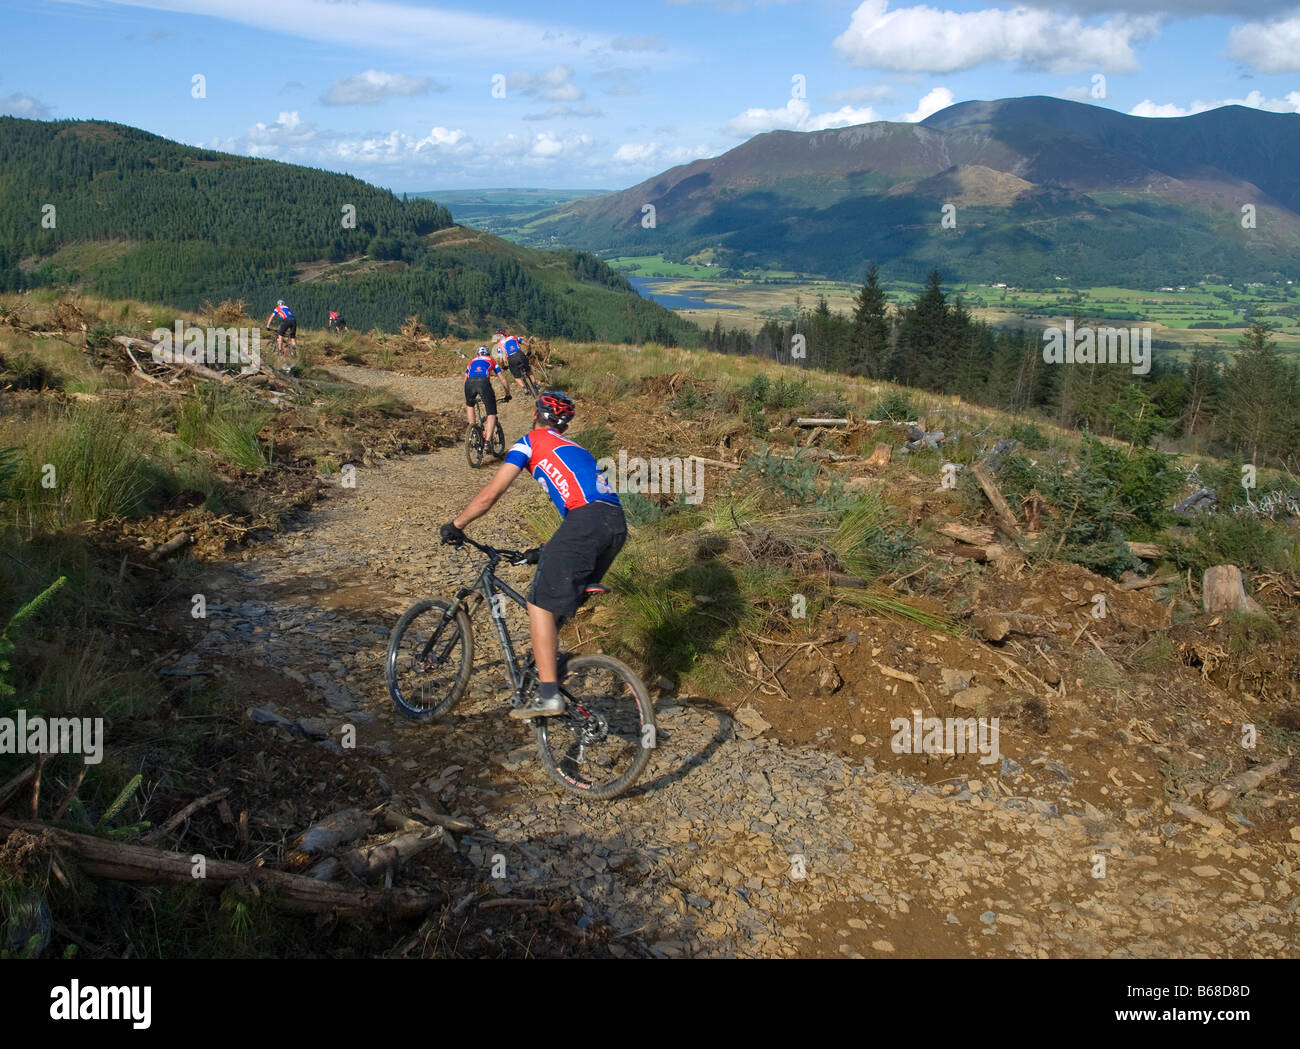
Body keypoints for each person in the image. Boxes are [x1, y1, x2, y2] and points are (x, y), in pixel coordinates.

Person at [440, 391, 626, 719]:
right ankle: (546, 663)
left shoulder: (530, 441)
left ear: (533, 413)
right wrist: (547, 550)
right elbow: (584, 497)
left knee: (537, 604)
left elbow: (492, 492)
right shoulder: (577, 449)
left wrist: (457, 523)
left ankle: (549, 695)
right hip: (614, 525)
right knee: (555, 604)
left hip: (584, 522)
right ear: (564, 426)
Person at [463, 345, 511, 450]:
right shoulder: (491, 360)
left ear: (477, 354)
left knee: (470, 405)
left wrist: (468, 395)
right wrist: (508, 394)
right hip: (483, 382)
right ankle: (488, 442)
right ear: (488, 354)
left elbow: (465, 378)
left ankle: (473, 430)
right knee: (491, 412)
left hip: (469, 384)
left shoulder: (471, 362)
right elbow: (502, 378)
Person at [493, 327, 532, 393]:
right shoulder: (513, 337)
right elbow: (527, 344)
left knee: (516, 376)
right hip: (520, 355)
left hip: (511, 359)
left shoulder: (500, 344)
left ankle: (524, 387)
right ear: (504, 333)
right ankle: (535, 384)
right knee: (528, 370)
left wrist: (503, 366)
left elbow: (501, 359)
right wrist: (529, 352)